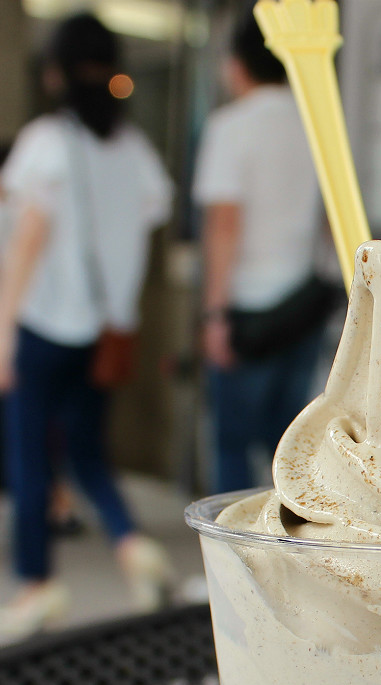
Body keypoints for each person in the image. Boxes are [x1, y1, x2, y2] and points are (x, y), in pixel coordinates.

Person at [0, 13, 174, 641]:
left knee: (28, 457)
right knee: (86, 452)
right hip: (106, 331)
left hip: (46, 325)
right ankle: (131, 545)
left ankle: (37, 585)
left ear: (55, 74)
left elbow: (26, 244)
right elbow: (153, 212)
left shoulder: (45, 143)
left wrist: (3, 331)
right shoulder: (136, 150)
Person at [193, 9, 326, 493]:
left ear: (238, 63)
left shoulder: (231, 126)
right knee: (288, 451)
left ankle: (233, 565)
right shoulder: (315, 123)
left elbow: (224, 224)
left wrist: (214, 314)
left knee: (231, 445)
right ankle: (286, 559)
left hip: (248, 311)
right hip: (302, 307)